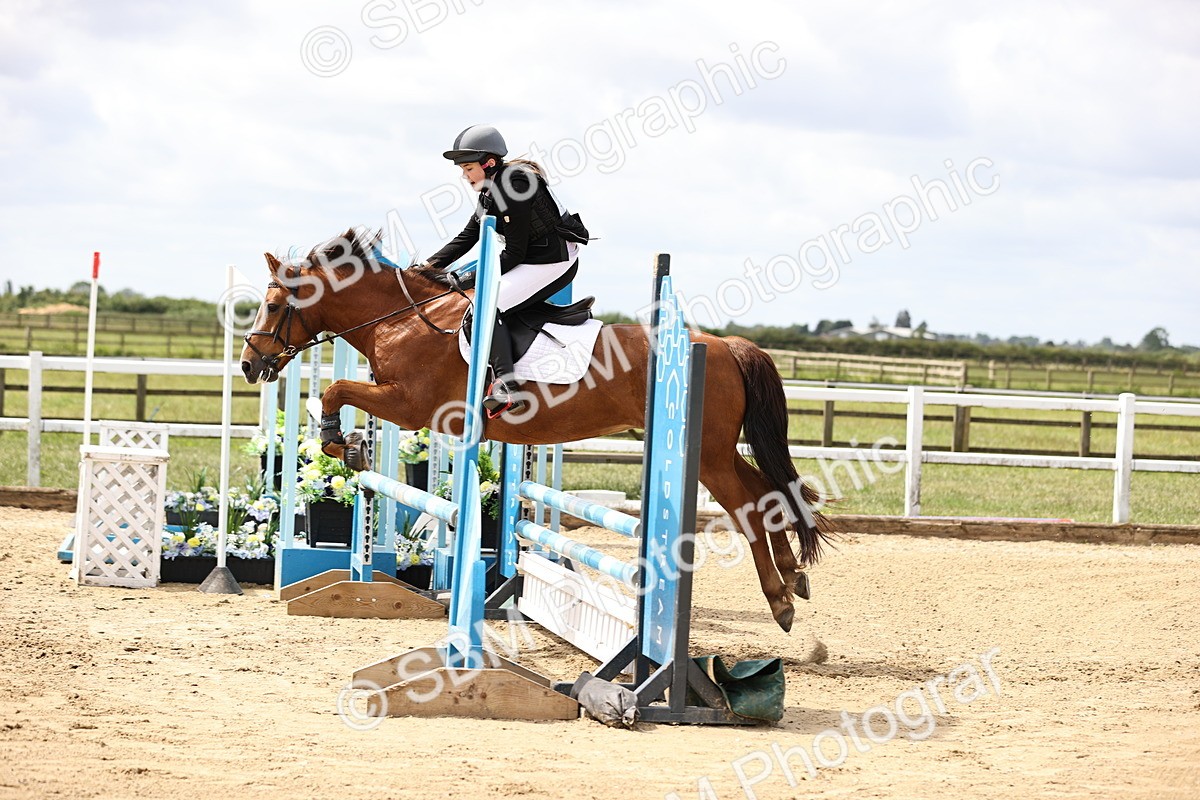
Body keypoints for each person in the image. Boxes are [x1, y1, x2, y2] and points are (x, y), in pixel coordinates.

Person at [423, 124, 588, 417]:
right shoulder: (490, 189)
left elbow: (514, 253)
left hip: (552, 261)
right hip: (530, 259)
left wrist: (467, 279)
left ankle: (507, 385)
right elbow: (468, 236)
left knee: (487, 306)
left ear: (489, 162)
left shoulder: (516, 184)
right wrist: (426, 269)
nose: (464, 176)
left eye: (468, 168)